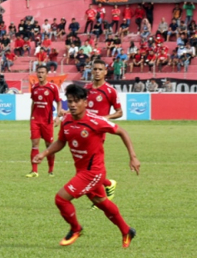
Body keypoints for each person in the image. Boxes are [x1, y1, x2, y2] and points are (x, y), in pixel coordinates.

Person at [33, 84, 139, 248]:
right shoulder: (67, 120)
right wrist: (44, 153)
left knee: (61, 199)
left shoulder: (96, 121)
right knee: (102, 203)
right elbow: (62, 141)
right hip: (82, 170)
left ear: (85, 102)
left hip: (93, 172)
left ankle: (76, 229)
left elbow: (122, 132)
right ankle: (127, 230)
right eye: (70, 101)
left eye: (76, 101)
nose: (73, 105)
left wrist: (133, 157)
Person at [84, 59, 123, 208]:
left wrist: (105, 118)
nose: (97, 72)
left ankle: (100, 197)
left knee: (90, 168)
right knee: (88, 168)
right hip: (84, 131)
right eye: (95, 69)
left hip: (98, 133)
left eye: (101, 69)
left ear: (105, 72)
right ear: (91, 71)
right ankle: (108, 184)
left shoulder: (110, 91)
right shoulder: (87, 89)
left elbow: (120, 112)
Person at [27, 65, 63, 178]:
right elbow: (33, 103)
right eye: (39, 72)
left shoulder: (53, 87)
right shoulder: (34, 87)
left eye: (43, 72)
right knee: (34, 145)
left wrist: (57, 117)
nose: (40, 74)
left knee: (49, 146)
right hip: (35, 120)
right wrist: (31, 117)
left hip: (47, 121)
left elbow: (58, 102)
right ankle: (34, 171)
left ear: (47, 74)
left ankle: (50, 170)